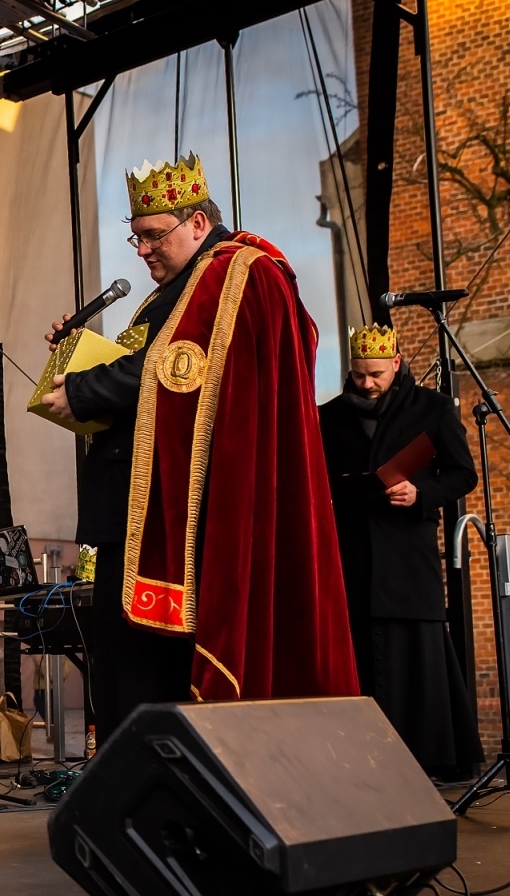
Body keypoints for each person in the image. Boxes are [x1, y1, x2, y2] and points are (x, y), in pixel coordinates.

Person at [40, 154, 357, 719]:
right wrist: (79, 358)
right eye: (135, 237)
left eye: (153, 236)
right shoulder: (186, 288)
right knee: (121, 677)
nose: (141, 251)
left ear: (197, 223)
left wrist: (86, 390)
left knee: (147, 683)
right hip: (140, 512)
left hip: (188, 520)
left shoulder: (235, 274)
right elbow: (158, 366)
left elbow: (181, 368)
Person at [319, 325, 482, 777]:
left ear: (396, 363)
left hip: (407, 558)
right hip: (353, 557)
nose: (366, 384)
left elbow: (462, 475)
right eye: (358, 375)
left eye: (375, 374)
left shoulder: (432, 409)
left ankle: (431, 760)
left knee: (418, 657)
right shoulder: (328, 417)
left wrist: (421, 494)